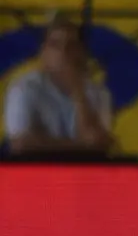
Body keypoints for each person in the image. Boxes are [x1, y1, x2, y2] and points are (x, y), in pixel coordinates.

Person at [3, 15, 116, 157]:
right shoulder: (24, 88)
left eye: (71, 45)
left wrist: (78, 93)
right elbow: (21, 145)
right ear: (43, 53)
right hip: (37, 168)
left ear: (82, 52)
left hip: (82, 170)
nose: (63, 51)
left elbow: (99, 144)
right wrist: (82, 145)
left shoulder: (99, 92)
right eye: (55, 45)